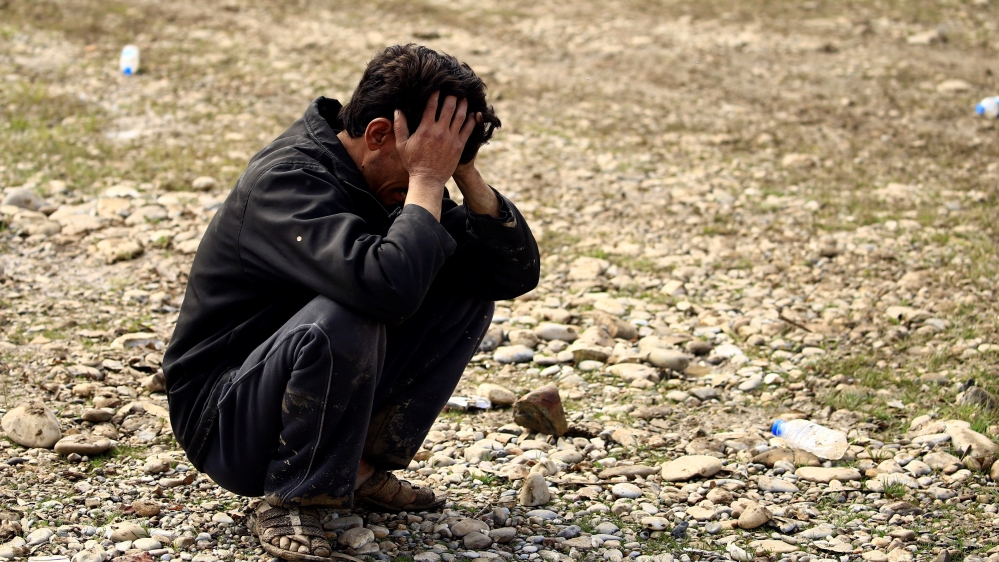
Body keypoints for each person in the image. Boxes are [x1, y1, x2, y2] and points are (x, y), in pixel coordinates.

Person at [162, 44, 540, 561]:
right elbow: (386, 288)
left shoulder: (386, 182)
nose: (432, 175)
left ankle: (356, 469)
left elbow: (508, 274)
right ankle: (295, 497)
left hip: (287, 387)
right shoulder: (288, 180)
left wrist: (464, 173)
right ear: (380, 134)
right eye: (428, 159)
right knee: (353, 311)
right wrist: (426, 179)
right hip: (225, 420)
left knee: (466, 291)